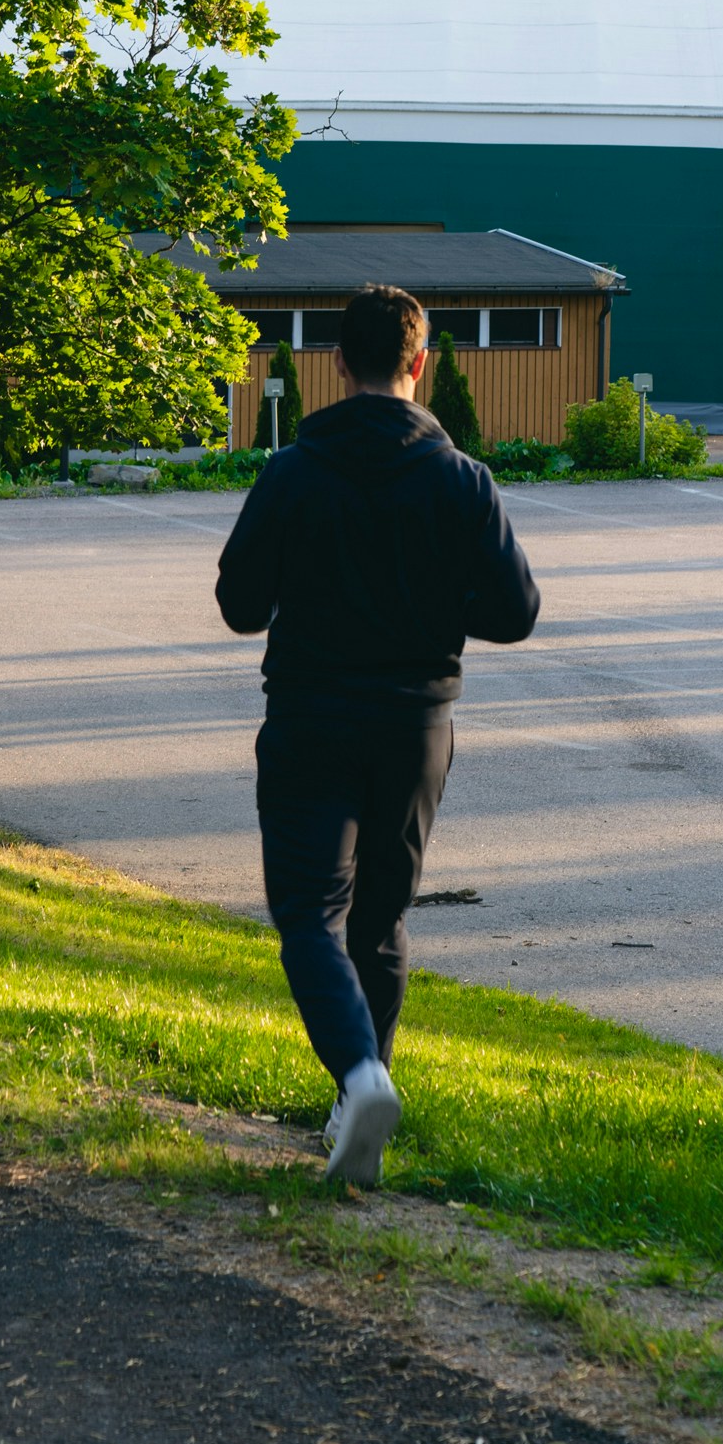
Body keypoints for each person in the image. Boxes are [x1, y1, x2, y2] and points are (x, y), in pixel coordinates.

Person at [215, 282, 540, 1186]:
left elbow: (240, 605)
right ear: (420, 362)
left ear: (335, 364)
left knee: (309, 916)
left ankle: (359, 1079)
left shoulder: (293, 470)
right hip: (416, 723)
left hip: (313, 714)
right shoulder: (460, 479)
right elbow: (517, 613)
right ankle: (361, 1098)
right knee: (383, 917)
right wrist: (439, 599)